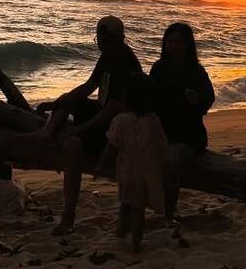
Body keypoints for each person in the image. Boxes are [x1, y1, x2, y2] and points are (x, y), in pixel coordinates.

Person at [36, 14, 141, 234]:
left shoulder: (124, 61)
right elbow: (88, 87)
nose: (101, 44)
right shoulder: (107, 56)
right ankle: (47, 132)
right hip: (104, 112)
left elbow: (114, 109)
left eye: (105, 40)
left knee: (73, 147)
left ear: (118, 39)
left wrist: (80, 129)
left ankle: (68, 215)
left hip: (117, 126)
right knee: (69, 99)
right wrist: (56, 103)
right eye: (99, 39)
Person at [94, 72, 168, 252]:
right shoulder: (153, 121)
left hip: (127, 172)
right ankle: (134, 240)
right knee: (138, 208)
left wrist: (101, 166)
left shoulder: (120, 121)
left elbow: (111, 146)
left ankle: (126, 237)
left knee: (127, 203)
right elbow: (161, 145)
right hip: (147, 171)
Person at [149, 22, 215, 221]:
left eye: (178, 42)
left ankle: (169, 211)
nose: (173, 46)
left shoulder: (196, 71)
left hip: (188, 134)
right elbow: (149, 98)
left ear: (187, 44)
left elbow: (209, 98)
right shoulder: (159, 68)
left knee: (171, 161)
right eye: (169, 42)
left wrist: (197, 100)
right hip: (162, 131)